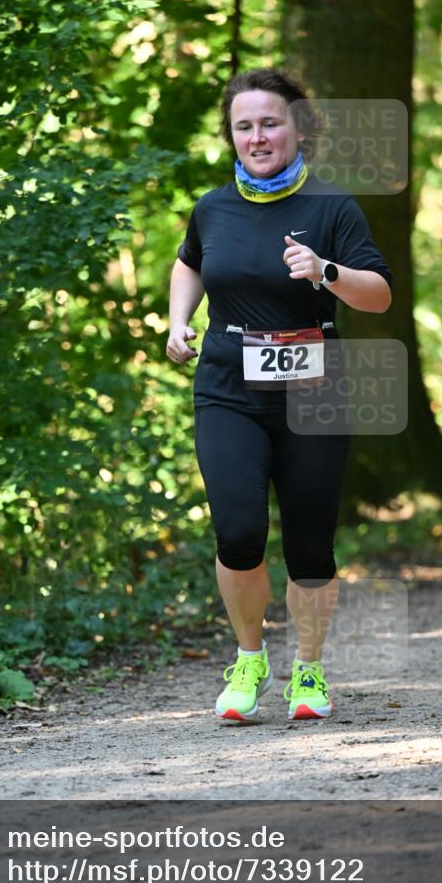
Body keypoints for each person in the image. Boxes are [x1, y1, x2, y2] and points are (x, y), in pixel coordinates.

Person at [167, 68, 392, 722]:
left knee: (310, 546)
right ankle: (249, 659)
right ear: (231, 135)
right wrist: (178, 321)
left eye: (270, 123)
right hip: (228, 387)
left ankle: (309, 670)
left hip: (313, 391)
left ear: (298, 128)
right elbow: (189, 261)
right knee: (238, 530)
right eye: (244, 126)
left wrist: (324, 270)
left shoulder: (331, 207)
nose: (257, 136)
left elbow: (378, 296)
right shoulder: (212, 207)